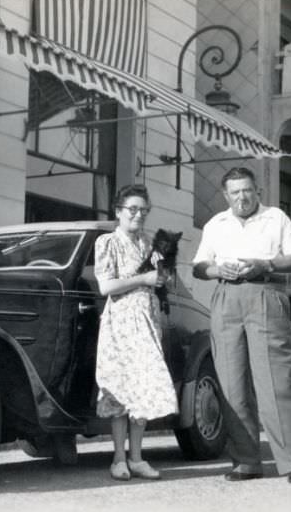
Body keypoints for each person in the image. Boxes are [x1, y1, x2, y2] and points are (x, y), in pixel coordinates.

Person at [191, 167, 291, 484]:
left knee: (277, 381)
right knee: (231, 383)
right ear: (225, 195)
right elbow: (199, 267)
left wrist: (266, 263)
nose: (242, 197)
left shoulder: (276, 218)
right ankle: (246, 461)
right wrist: (217, 269)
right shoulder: (216, 223)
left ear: (257, 190)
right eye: (235, 192)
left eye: (247, 190)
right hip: (226, 298)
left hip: (265, 294)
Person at [94, 184, 178, 481]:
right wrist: (144, 277)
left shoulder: (151, 243)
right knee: (120, 387)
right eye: (133, 209)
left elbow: (165, 281)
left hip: (148, 319)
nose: (138, 215)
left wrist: (164, 274)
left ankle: (137, 457)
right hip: (120, 322)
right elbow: (106, 286)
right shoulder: (107, 242)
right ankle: (118, 459)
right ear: (118, 211)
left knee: (144, 386)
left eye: (144, 210)